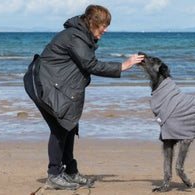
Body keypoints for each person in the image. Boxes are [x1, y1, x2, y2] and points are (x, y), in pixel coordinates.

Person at [24, 5, 144, 190]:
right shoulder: (75, 36)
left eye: (107, 25)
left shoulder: (82, 36)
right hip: (44, 84)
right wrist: (122, 66)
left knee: (69, 125)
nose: (105, 30)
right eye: (102, 25)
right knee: (59, 127)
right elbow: (90, 64)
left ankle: (70, 171)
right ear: (91, 22)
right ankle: (54, 175)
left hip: (57, 85)